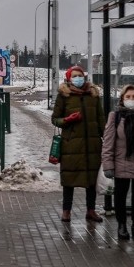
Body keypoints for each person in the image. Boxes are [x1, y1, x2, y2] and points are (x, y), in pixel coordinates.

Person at [51, 65, 105, 223]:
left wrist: (106, 139)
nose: (78, 78)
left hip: (92, 145)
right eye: (74, 76)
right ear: (69, 79)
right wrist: (67, 120)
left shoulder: (93, 95)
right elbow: (55, 119)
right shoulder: (64, 96)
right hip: (71, 146)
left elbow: (101, 119)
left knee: (91, 179)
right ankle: (66, 211)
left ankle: (91, 210)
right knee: (69, 179)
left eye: (80, 75)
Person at [102, 84, 134, 241]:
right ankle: (122, 226)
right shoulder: (115, 117)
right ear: (122, 99)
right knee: (121, 196)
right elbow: (108, 143)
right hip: (121, 163)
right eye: (128, 97)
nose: (131, 100)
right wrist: (108, 165)